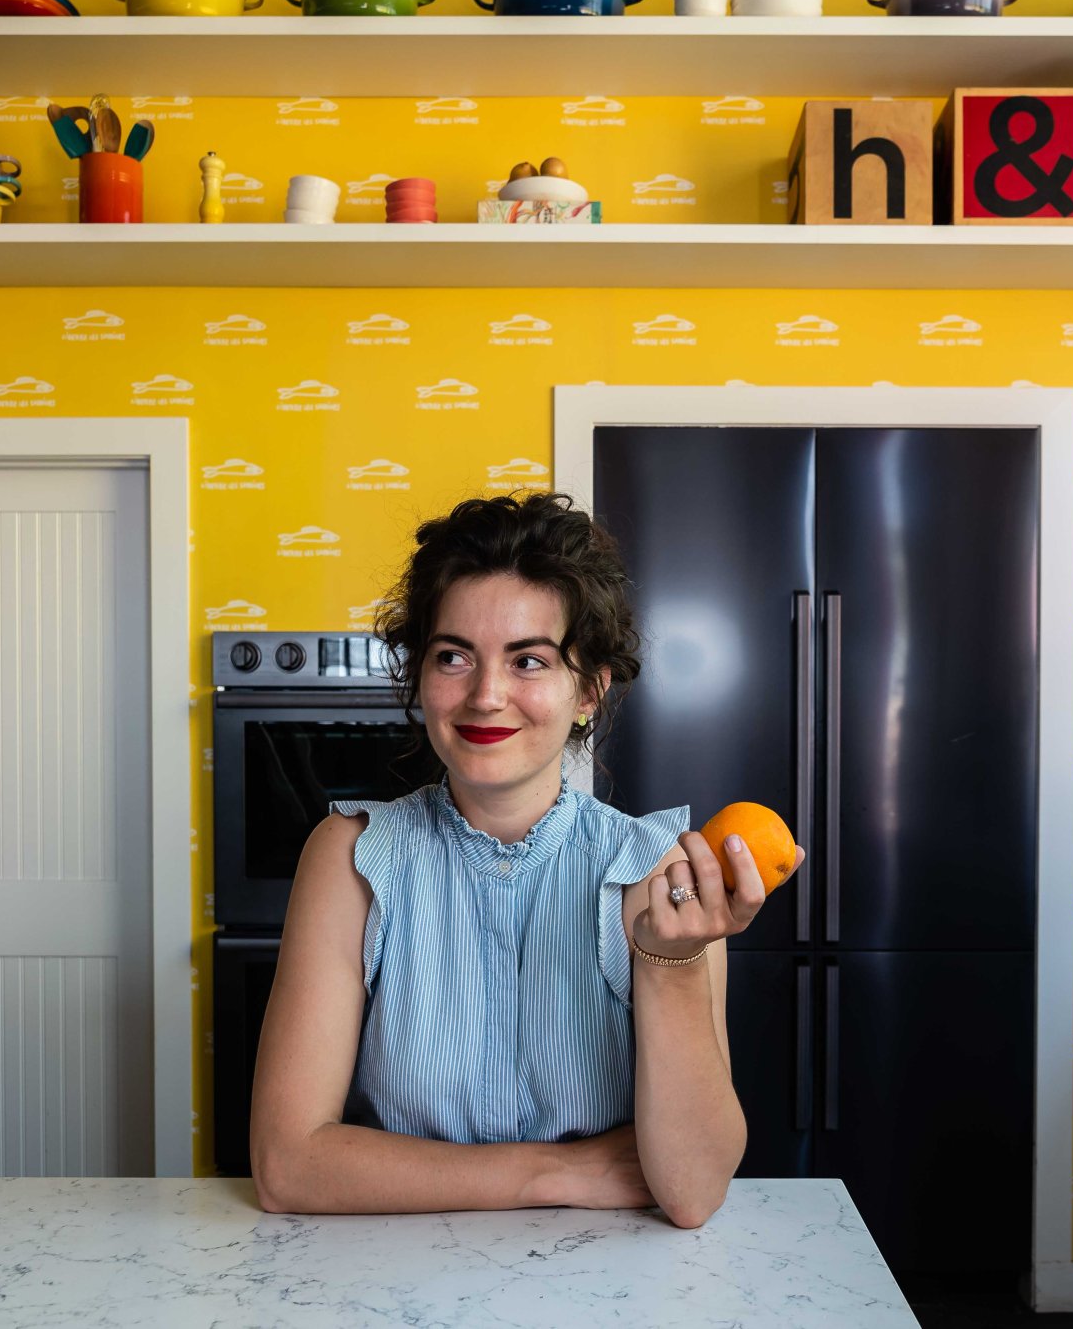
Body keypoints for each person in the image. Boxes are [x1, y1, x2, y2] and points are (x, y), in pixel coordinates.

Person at [249, 491, 802, 1228]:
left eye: (529, 660)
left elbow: (692, 1189)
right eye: (454, 656)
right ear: (420, 674)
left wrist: (670, 965)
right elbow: (288, 1166)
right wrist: (561, 1169)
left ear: (590, 690)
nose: (485, 695)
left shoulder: (657, 871)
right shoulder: (349, 857)